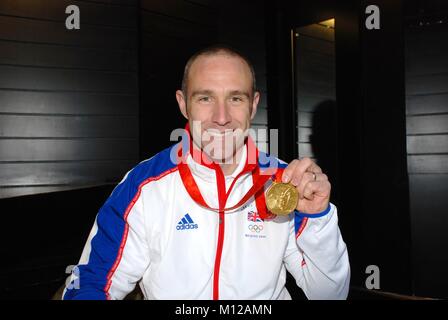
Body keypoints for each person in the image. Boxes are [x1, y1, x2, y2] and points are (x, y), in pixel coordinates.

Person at [63, 45, 350, 300]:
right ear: (182, 103)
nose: (221, 117)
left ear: (253, 105)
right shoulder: (143, 185)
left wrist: (318, 218)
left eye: (235, 98)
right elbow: (90, 282)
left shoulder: (286, 182)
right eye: (205, 98)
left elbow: (330, 295)